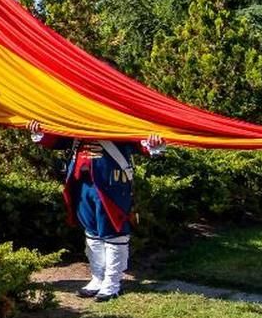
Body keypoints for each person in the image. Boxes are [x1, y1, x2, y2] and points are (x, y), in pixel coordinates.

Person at [28, 121, 164, 301]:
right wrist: (41, 132)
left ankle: (112, 282)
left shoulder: (115, 119)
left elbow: (139, 142)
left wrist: (153, 142)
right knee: (91, 231)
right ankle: (97, 278)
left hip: (111, 184)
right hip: (82, 183)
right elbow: (60, 141)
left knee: (113, 231)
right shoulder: (76, 118)